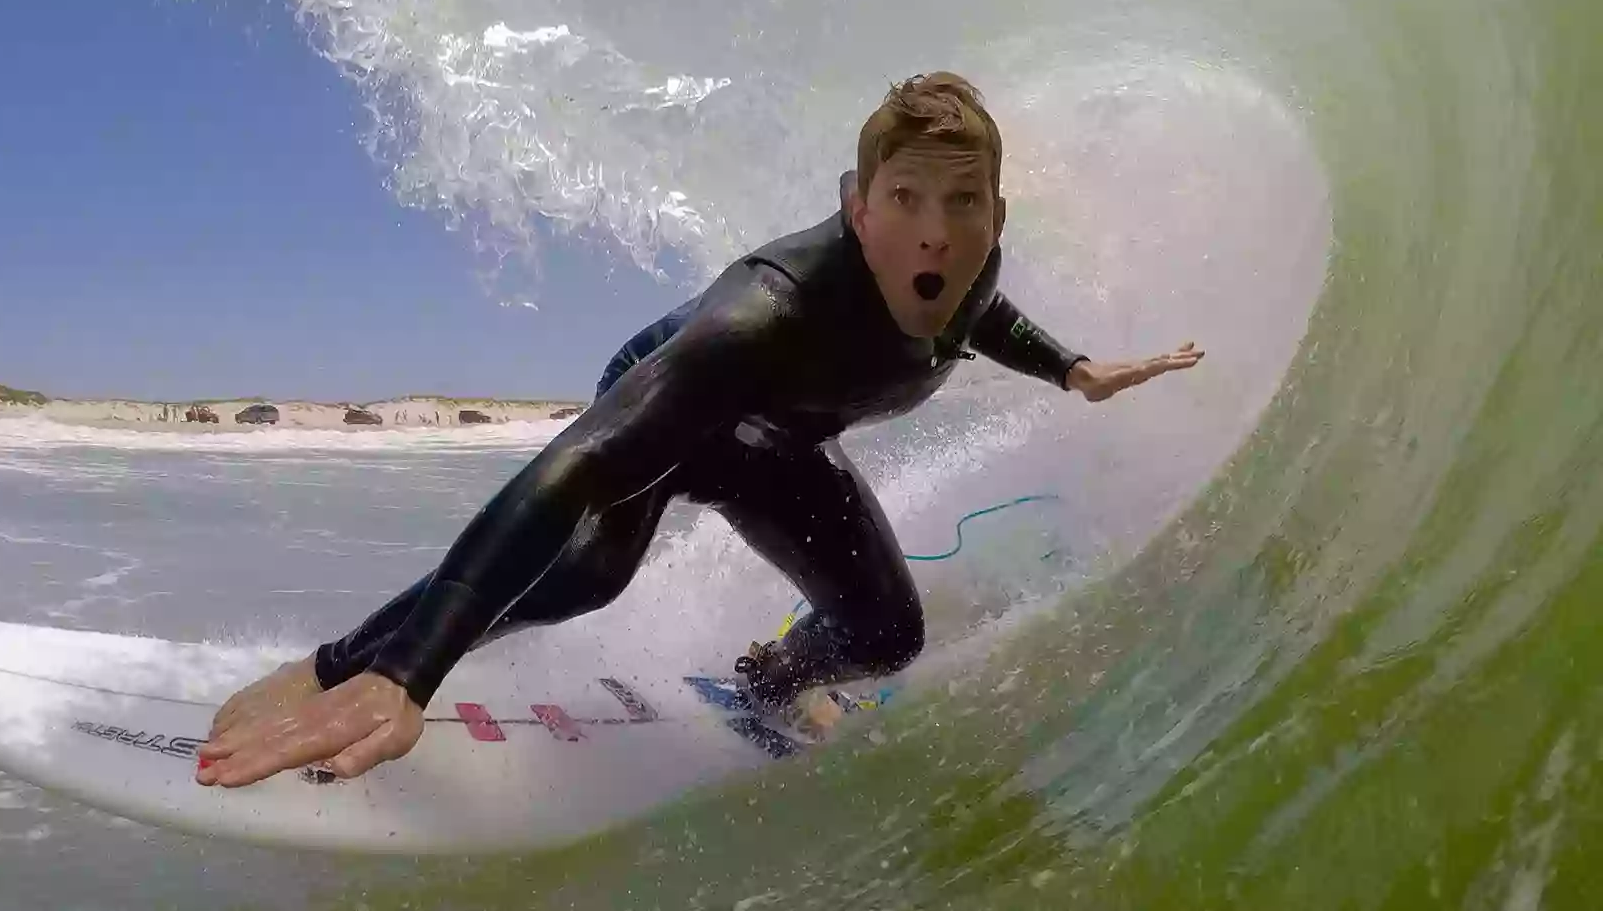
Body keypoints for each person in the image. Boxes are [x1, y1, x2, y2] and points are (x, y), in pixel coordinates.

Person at [196, 73, 1203, 788]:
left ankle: (768, 680)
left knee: (887, 635)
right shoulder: (764, 311)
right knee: (591, 572)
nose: (936, 230)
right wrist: (409, 674)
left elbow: (982, 315)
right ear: (856, 210)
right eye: (905, 199)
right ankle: (341, 667)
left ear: (993, 211)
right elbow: (580, 464)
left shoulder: (971, 264)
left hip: (781, 444)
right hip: (676, 402)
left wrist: (1071, 368)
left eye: (963, 202)